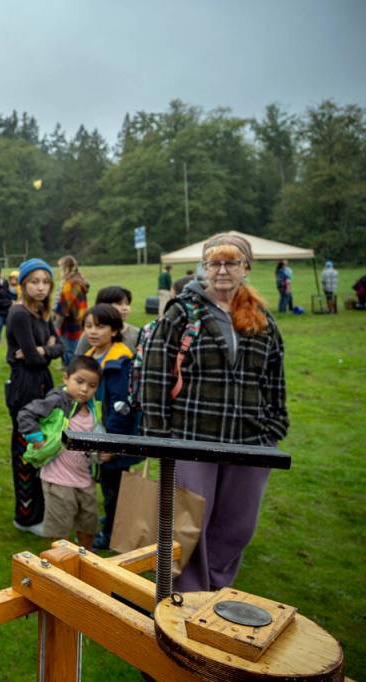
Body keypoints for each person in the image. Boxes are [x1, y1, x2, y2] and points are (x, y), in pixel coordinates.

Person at [141, 233, 287, 591]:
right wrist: (159, 435)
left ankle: (217, 589)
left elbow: (274, 375)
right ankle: (185, 601)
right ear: (203, 268)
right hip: (192, 436)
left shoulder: (260, 317)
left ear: (246, 268)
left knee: (237, 526)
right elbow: (155, 371)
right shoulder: (183, 312)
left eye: (231, 263)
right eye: (214, 263)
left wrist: (274, 425)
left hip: (250, 439)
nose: (222, 270)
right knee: (190, 526)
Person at [16, 355, 103, 549]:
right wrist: (36, 437)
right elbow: (26, 414)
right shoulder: (57, 401)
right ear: (66, 378)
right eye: (79, 381)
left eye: (92, 385)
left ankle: (84, 564)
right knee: (60, 533)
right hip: (58, 480)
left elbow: (94, 440)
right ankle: (59, 572)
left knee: (88, 526)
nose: (84, 389)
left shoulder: (93, 409)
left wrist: (101, 454)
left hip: (84, 479)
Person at [5, 258, 64, 534]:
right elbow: (30, 358)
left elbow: (60, 347)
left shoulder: (43, 312)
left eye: (45, 282)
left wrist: (44, 351)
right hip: (24, 385)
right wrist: (42, 351)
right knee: (26, 447)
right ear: (24, 284)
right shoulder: (18, 313)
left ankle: (40, 512)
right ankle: (26, 516)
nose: (40, 287)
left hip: (41, 381)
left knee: (44, 444)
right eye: (34, 282)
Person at [80, 304, 138, 549]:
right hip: (100, 433)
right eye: (88, 326)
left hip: (116, 438)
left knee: (115, 489)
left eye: (100, 326)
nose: (92, 332)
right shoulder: (92, 356)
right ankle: (112, 520)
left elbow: (121, 407)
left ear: (114, 330)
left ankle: (112, 534)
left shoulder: (121, 362)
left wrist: (112, 444)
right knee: (107, 485)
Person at [75, 286, 140, 354]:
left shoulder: (137, 334)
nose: (125, 308)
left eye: (127, 304)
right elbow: (78, 359)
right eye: (119, 304)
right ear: (103, 306)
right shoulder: (91, 334)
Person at [54, 255, 89, 365]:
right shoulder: (77, 280)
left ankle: (71, 368)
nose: (60, 270)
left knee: (69, 347)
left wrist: (56, 322)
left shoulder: (72, 283)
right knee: (71, 345)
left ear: (66, 268)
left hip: (70, 320)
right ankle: (68, 365)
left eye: (61, 267)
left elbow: (65, 305)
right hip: (75, 319)